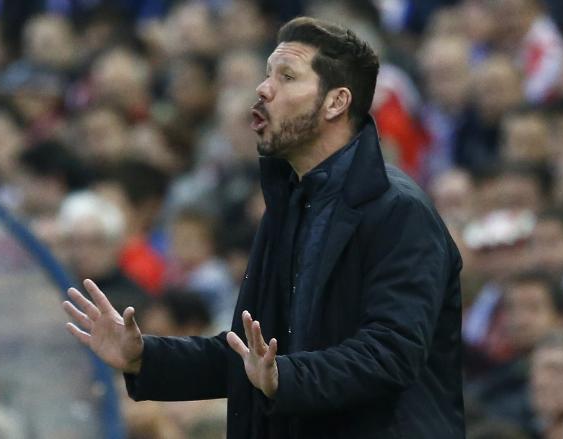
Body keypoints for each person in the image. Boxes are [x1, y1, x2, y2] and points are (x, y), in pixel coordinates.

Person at [63, 17, 465, 438]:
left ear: (335, 102)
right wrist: (144, 356)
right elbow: (251, 357)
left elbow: (390, 354)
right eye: (267, 74)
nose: (263, 88)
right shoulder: (289, 204)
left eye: (286, 77)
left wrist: (285, 377)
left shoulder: (399, 211)